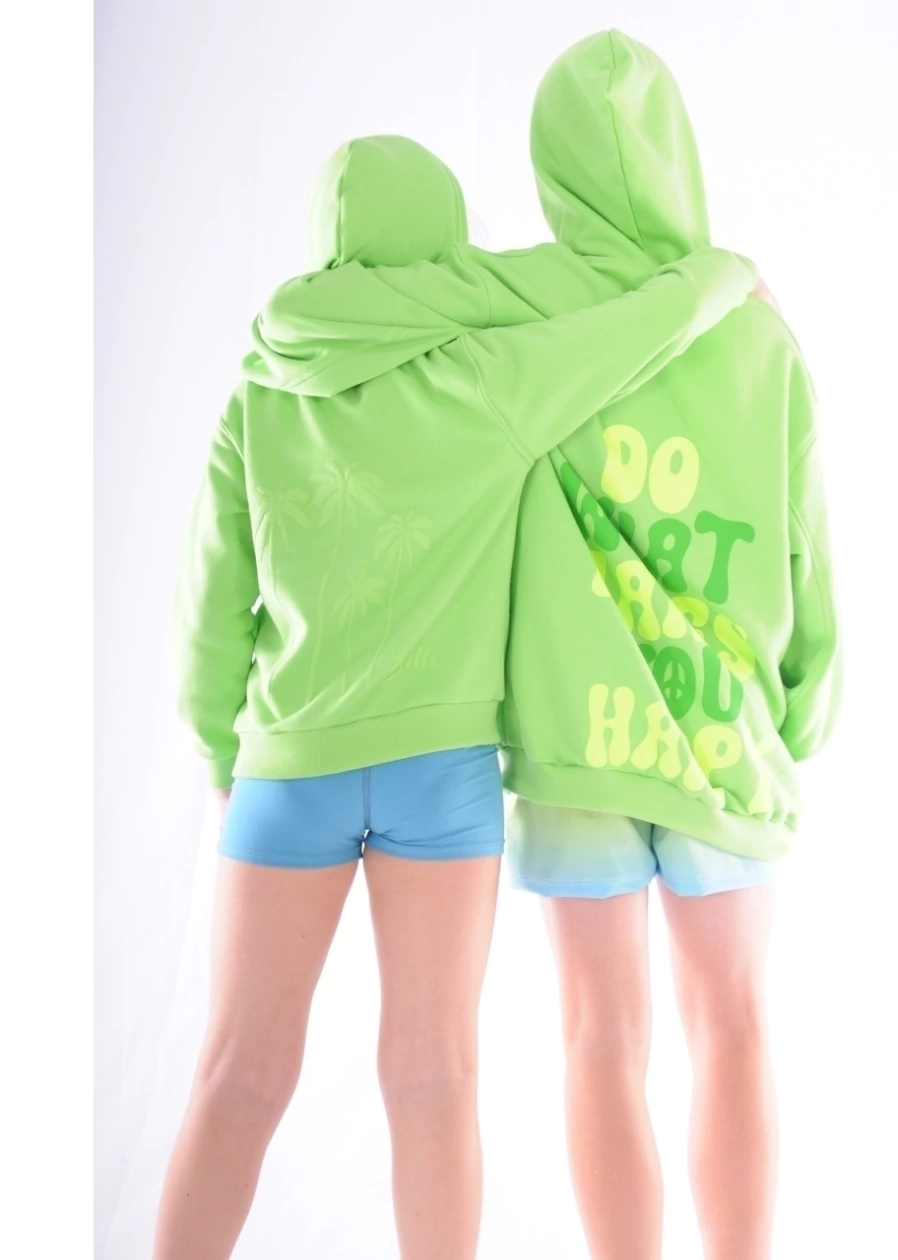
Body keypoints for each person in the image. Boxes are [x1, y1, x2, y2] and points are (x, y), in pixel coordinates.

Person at [260, 30, 841, 1260]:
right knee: (734, 1024)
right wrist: (804, 709)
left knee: (597, 1039)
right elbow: (806, 549)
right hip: (725, 740)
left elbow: (379, 300)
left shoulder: (518, 303)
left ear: (549, 168)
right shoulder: (760, 336)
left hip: (577, 750)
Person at [160, 130, 761, 1260]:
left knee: (236, 1075)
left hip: (287, 774)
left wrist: (218, 756)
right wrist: (725, 270)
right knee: (435, 1079)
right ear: (448, 248)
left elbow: (209, 607)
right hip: (440, 783)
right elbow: (631, 328)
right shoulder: (486, 382)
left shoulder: (259, 392)